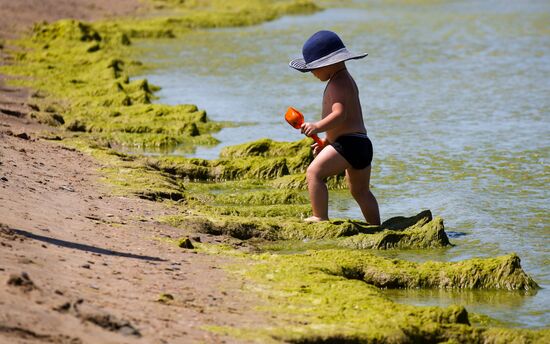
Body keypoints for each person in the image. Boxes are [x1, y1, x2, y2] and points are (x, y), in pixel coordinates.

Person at [289, 30, 380, 225]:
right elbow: (347, 123)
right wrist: (327, 143)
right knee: (360, 191)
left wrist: (317, 126)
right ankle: (376, 226)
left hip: (348, 145)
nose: (312, 73)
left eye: (313, 69)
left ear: (328, 64)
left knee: (314, 173)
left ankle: (319, 216)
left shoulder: (338, 84)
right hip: (361, 144)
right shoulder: (345, 80)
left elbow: (340, 115)